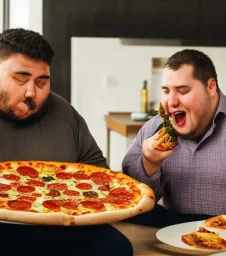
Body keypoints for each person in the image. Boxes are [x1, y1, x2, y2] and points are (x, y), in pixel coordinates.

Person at [0, 28, 133, 256]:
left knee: (118, 247)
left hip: (61, 227)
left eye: (41, 82)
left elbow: (100, 176)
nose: (31, 92)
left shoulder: (64, 112)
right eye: (21, 79)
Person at [122, 49, 226, 226]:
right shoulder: (154, 128)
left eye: (182, 91)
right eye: (166, 91)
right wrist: (149, 164)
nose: (171, 102)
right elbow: (131, 200)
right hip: (174, 239)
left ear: (211, 87)